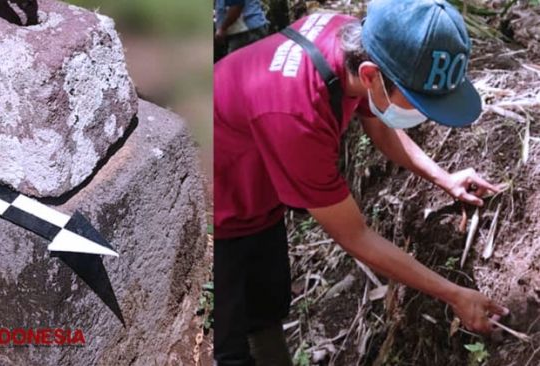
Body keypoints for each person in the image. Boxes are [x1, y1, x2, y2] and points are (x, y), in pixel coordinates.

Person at [213, 0, 509, 365]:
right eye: (419, 102)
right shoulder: (296, 115)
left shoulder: (361, 43)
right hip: (219, 202)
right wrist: (453, 294)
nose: (424, 113)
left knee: (267, 304)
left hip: (262, 186)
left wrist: (444, 178)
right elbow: (355, 236)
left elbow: (381, 128)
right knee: (229, 342)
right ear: (370, 75)